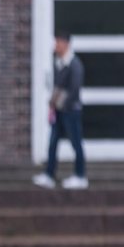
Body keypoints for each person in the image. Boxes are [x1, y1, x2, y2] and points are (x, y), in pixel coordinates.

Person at [33, 30, 87, 190]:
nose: (56, 45)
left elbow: (74, 90)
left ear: (66, 44)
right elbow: (58, 86)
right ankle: (49, 174)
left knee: (76, 142)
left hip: (71, 111)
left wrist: (58, 103)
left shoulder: (75, 65)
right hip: (59, 110)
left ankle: (80, 175)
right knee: (53, 141)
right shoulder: (59, 62)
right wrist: (53, 103)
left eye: (58, 42)